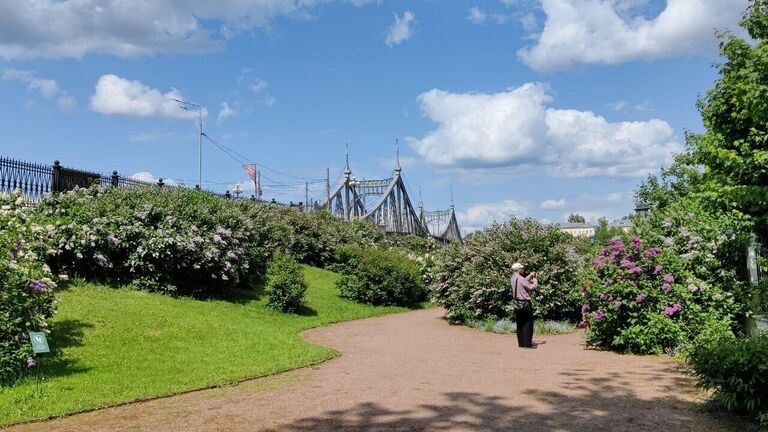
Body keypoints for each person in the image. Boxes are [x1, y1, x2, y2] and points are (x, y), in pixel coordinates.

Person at [511, 262, 537, 348]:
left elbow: (522, 281)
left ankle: (521, 343)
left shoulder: (513, 278)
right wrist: (535, 279)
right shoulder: (521, 279)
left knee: (520, 324)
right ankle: (527, 344)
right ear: (518, 269)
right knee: (528, 324)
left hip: (517, 304)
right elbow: (532, 287)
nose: (523, 269)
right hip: (525, 303)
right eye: (521, 268)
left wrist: (530, 275)